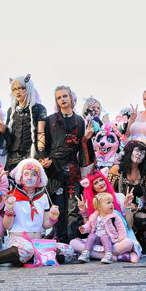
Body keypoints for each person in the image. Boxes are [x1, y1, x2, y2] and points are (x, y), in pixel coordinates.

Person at [0, 158, 73, 268]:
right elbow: (7, 226)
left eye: (34, 174)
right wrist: (10, 209)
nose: (30, 177)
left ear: (39, 178)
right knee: (26, 250)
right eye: (26, 174)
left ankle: (25, 258)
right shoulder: (12, 197)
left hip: (37, 242)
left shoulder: (43, 197)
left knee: (68, 251)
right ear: (20, 177)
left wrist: (52, 218)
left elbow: (45, 225)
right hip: (18, 241)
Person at [41, 85, 96, 243]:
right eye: (59, 97)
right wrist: (43, 159)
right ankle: (61, 242)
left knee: (73, 207)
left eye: (65, 96)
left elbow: (80, 147)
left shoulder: (80, 120)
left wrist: (86, 138)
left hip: (72, 170)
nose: (62, 99)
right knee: (59, 207)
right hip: (55, 170)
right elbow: (45, 144)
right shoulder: (50, 119)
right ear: (56, 101)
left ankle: (72, 242)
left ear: (71, 98)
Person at [71, 169, 141, 263]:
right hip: (100, 239)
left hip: (120, 237)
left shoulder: (119, 196)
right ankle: (116, 257)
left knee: (127, 244)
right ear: (92, 187)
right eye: (96, 182)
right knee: (73, 243)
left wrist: (127, 207)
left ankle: (98, 255)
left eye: (101, 180)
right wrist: (84, 212)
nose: (100, 183)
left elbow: (129, 225)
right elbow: (89, 228)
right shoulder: (91, 203)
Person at [108, 140, 146, 254]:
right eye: (137, 150)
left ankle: (138, 235)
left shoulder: (144, 173)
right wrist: (125, 204)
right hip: (118, 209)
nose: (139, 154)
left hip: (137, 209)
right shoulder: (117, 169)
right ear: (129, 151)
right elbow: (108, 194)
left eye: (143, 152)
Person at [0, 74, 47, 172]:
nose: (17, 92)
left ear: (29, 88)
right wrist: (4, 131)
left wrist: (41, 153)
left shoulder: (39, 109)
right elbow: (10, 139)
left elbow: (41, 132)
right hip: (12, 159)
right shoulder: (12, 110)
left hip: (31, 156)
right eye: (14, 89)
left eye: (21, 88)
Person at [76, 192, 136, 264]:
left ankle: (108, 255)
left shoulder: (114, 215)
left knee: (107, 237)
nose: (111, 204)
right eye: (108, 203)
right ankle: (86, 253)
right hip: (98, 239)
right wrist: (84, 228)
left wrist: (121, 237)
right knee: (90, 236)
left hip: (111, 239)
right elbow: (89, 225)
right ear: (99, 206)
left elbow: (121, 228)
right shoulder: (94, 216)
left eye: (112, 202)